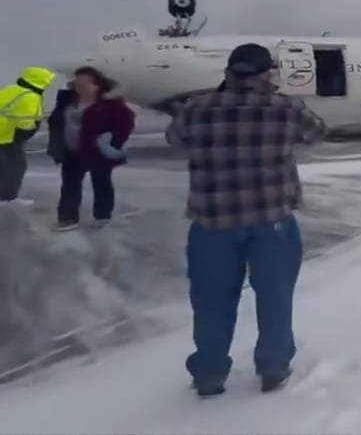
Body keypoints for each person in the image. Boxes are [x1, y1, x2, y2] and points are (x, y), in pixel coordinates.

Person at [165, 43, 326, 398]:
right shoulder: (286, 109)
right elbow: (317, 133)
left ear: (228, 72)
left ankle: (209, 375)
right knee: (275, 298)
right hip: (273, 223)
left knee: (211, 304)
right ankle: (273, 368)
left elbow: (174, 139)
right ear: (267, 74)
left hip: (212, 226)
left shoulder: (196, 109)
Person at [48, 67, 135, 231]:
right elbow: (55, 120)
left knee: (101, 183)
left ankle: (102, 216)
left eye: (84, 83)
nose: (79, 86)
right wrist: (57, 140)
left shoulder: (109, 102)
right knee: (69, 185)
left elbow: (126, 122)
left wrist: (113, 141)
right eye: (77, 83)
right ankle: (67, 219)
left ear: (96, 85)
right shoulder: (67, 100)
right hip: (71, 150)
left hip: (97, 152)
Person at [0, 66, 56, 205]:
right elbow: (25, 125)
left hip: (4, 135)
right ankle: (7, 198)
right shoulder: (30, 97)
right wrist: (21, 138)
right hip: (7, 138)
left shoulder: (10, 89)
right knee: (15, 167)